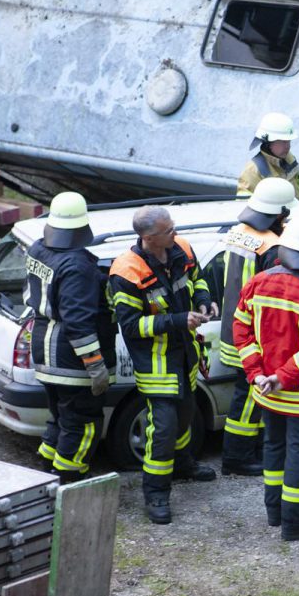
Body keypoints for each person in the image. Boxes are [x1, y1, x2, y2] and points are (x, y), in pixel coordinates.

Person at [233, 218, 299, 539]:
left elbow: (241, 331)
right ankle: (298, 522)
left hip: (267, 391)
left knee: (274, 448)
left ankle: (275, 513)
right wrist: (283, 377)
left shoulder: (258, 283)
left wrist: (258, 375)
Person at [109, 206, 218, 524]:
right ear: (147, 237)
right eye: (169, 230)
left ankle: (183, 465)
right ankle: (155, 494)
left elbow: (198, 279)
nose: (175, 233)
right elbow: (130, 326)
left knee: (185, 416)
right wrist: (178, 320)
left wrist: (203, 300)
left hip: (185, 354)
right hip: (156, 363)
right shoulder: (126, 272)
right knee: (164, 427)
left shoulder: (180, 248)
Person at [23, 192, 115, 483]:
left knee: (61, 417)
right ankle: (69, 479)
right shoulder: (78, 266)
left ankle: (47, 469)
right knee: (82, 423)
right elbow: (78, 323)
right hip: (69, 359)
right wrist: (95, 365)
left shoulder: (37, 249)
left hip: (43, 347)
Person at [218, 177, 297, 478]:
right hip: (256, 336)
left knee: (245, 394)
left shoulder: (238, 233)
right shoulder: (273, 248)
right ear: (280, 214)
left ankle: (246, 452)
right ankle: (237, 458)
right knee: (251, 398)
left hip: (233, 328)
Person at [237, 112, 299, 200]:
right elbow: (244, 207)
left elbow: (298, 192)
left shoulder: (290, 159)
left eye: (289, 141)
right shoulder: (253, 171)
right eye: (283, 141)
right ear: (268, 142)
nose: (288, 146)